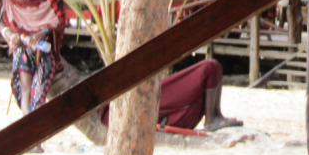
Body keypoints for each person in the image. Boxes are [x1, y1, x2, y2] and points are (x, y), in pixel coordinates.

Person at [0, 0, 66, 152]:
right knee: (25, 91)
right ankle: (29, 139)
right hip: (23, 49)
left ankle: (36, 138)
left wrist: (43, 32)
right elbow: (1, 23)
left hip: (45, 51)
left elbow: (58, 19)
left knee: (39, 93)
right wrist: (10, 36)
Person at [100, 58, 243, 132]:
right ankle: (211, 118)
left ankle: (216, 115)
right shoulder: (109, 112)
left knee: (214, 67)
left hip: (141, 98)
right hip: (143, 104)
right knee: (210, 67)